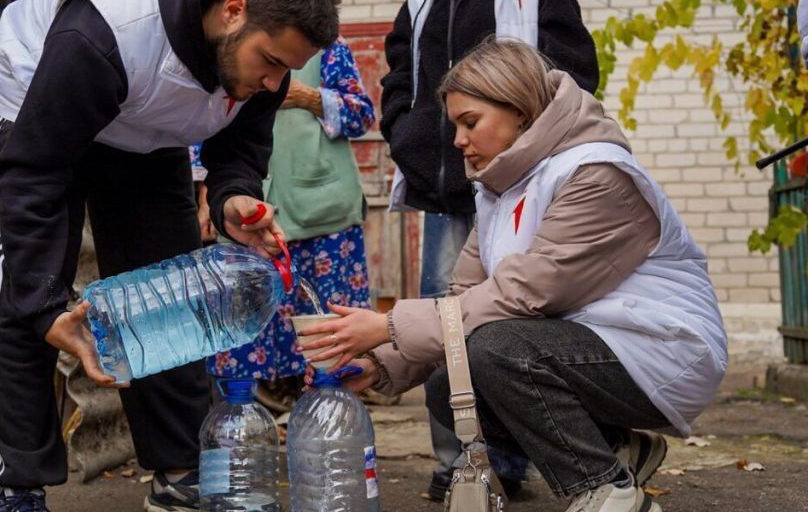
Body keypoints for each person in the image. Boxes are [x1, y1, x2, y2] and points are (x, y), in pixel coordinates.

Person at [299, 39, 727, 512]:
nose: (458, 140)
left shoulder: (596, 173)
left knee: (494, 352)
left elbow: (524, 292)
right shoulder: (501, 188)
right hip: (592, 344)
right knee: (449, 385)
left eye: (470, 122)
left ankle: (607, 490)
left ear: (520, 112)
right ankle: (619, 448)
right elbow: (466, 296)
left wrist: (387, 325)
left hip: (662, 347)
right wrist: (381, 364)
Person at [0, 1, 340, 510]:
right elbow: (31, 179)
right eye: (272, 60)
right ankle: (18, 483)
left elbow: (239, 151)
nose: (275, 81)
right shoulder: (105, 34)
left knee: (171, 296)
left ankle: (178, 470)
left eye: (287, 69)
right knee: (30, 275)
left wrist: (233, 196)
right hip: (45, 93)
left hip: (146, 124)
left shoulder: (263, 68)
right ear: (233, 10)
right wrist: (43, 305)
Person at [380, 0, 600, 499]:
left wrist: (534, 150)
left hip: (519, 176)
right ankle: (461, 462)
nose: (459, 134)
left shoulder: (593, 177)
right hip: (442, 187)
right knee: (447, 313)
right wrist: (407, 134)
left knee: (507, 318)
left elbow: (575, 69)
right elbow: (400, 70)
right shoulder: (419, 4)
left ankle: (506, 460)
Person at [205, 36, 375, 385]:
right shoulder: (231, 40)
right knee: (241, 340)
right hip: (248, 211)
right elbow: (200, 121)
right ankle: (249, 421)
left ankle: (327, 418)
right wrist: (204, 190)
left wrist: (307, 97)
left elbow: (361, 114)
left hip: (322, 213)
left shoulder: (323, 43)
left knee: (329, 339)